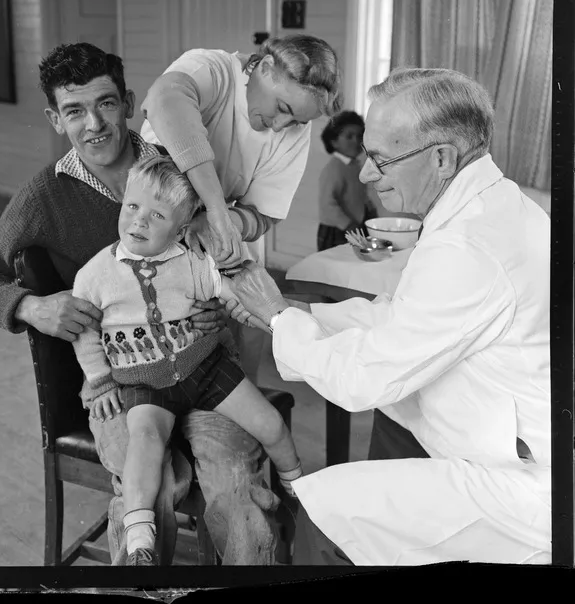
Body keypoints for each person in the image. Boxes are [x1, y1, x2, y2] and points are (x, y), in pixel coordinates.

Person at [0, 42, 288, 566]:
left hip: (202, 366)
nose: (94, 123)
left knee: (234, 482)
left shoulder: (182, 170)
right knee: (152, 483)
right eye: (74, 110)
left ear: (129, 102)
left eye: (106, 103)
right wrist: (31, 307)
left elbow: (215, 267)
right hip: (119, 384)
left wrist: (218, 309)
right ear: (54, 118)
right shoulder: (45, 195)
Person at [226, 67, 552, 566]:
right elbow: (398, 318)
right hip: (502, 427)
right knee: (395, 420)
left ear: (442, 158)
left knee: (324, 510)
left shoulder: (468, 245)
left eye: (380, 159)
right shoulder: (489, 204)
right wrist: (293, 313)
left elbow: (362, 379)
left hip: (526, 481)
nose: (364, 175)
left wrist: (277, 319)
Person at [72, 154, 302, 566]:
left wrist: (277, 323)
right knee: (145, 442)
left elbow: (236, 302)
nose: (139, 221)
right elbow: (85, 331)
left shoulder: (195, 264)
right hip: (143, 383)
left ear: (180, 229)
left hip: (205, 367)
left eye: (156, 215)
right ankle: (140, 536)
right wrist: (101, 380)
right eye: (132, 207)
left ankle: (297, 485)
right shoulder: (95, 275)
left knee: (269, 421)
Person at [138, 34, 342, 381]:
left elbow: (263, 212)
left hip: (223, 234)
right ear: (264, 68)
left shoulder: (292, 129)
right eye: (282, 109)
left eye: (297, 122)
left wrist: (223, 220)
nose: (282, 127)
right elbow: (164, 100)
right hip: (159, 223)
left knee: (236, 359)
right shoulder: (212, 69)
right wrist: (215, 207)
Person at [317, 110, 378, 251]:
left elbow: (359, 193)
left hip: (356, 225)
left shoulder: (354, 166)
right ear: (334, 141)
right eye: (349, 137)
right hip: (338, 228)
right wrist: (348, 225)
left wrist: (370, 209)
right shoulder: (334, 168)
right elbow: (327, 205)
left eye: (359, 136)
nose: (356, 141)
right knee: (335, 265)